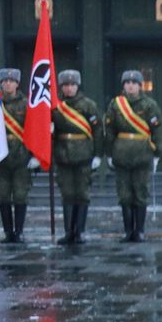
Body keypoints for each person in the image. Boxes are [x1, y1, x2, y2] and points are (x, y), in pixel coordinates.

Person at [104, 69, 162, 243]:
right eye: (127, 83)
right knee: (124, 195)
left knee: (140, 193)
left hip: (142, 155)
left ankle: (140, 231)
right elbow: (110, 130)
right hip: (121, 155)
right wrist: (109, 153)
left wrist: (157, 152)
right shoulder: (116, 105)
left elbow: (158, 130)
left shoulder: (149, 105)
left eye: (134, 83)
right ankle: (128, 231)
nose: (130, 86)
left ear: (140, 86)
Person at [52, 69, 103, 245]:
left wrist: (97, 154)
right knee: (67, 194)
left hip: (84, 155)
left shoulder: (88, 105)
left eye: (72, 85)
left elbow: (97, 130)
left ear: (78, 86)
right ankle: (68, 232)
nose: (69, 88)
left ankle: (79, 231)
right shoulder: (55, 106)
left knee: (82, 194)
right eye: (66, 85)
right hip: (63, 155)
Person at [0, 68, 34, 242]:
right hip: (1, 156)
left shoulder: (26, 104)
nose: (7, 83)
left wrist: (33, 155)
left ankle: (19, 231)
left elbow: (33, 130)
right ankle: (8, 232)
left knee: (20, 195)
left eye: (11, 80)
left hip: (21, 155)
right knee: (2, 195)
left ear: (17, 83)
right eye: (4, 81)